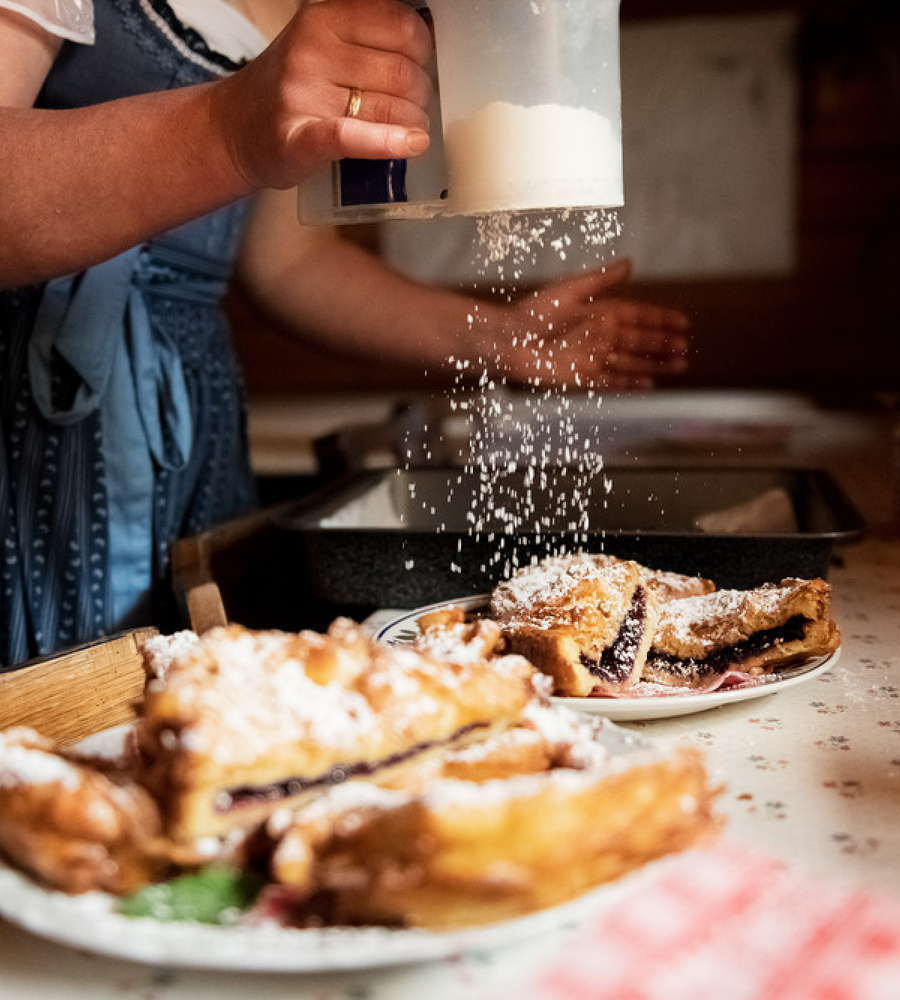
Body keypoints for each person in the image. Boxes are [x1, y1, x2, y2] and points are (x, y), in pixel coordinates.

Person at [0, 0, 690, 667]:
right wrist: (228, 126)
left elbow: (286, 262)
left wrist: (496, 338)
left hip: (186, 413)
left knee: (189, 696)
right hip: (31, 409)